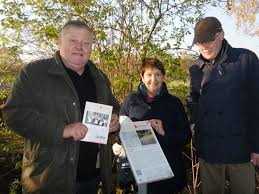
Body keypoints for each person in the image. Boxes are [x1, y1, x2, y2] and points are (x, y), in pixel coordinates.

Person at [3, 20, 120, 194]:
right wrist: (62, 129)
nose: (80, 47)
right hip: (48, 180)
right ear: (60, 42)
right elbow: (13, 114)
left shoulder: (99, 77)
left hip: (91, 178)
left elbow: (113, 108)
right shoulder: (35, 73)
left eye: (86, 43)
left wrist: (114, 122)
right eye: (73, 41)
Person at [188, 16, 259, 194]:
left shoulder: (246, 60)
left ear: (221, 35)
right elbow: (193, 99)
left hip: (241, 149)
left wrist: (257, 147)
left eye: (208, 41)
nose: (203, 46)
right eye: (199, 43)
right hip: (209, 150)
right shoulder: (195, 67)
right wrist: (194, 123)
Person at [120, 58, 191, 194]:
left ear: (163, 77)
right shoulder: (131, 101)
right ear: (142, 77)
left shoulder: (174, 103)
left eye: (158, 74)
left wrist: (164, 133)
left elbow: (186, 136)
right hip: (141, 171)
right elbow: (119, 133)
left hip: (168, 172)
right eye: (149, 74)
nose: (154, 79)